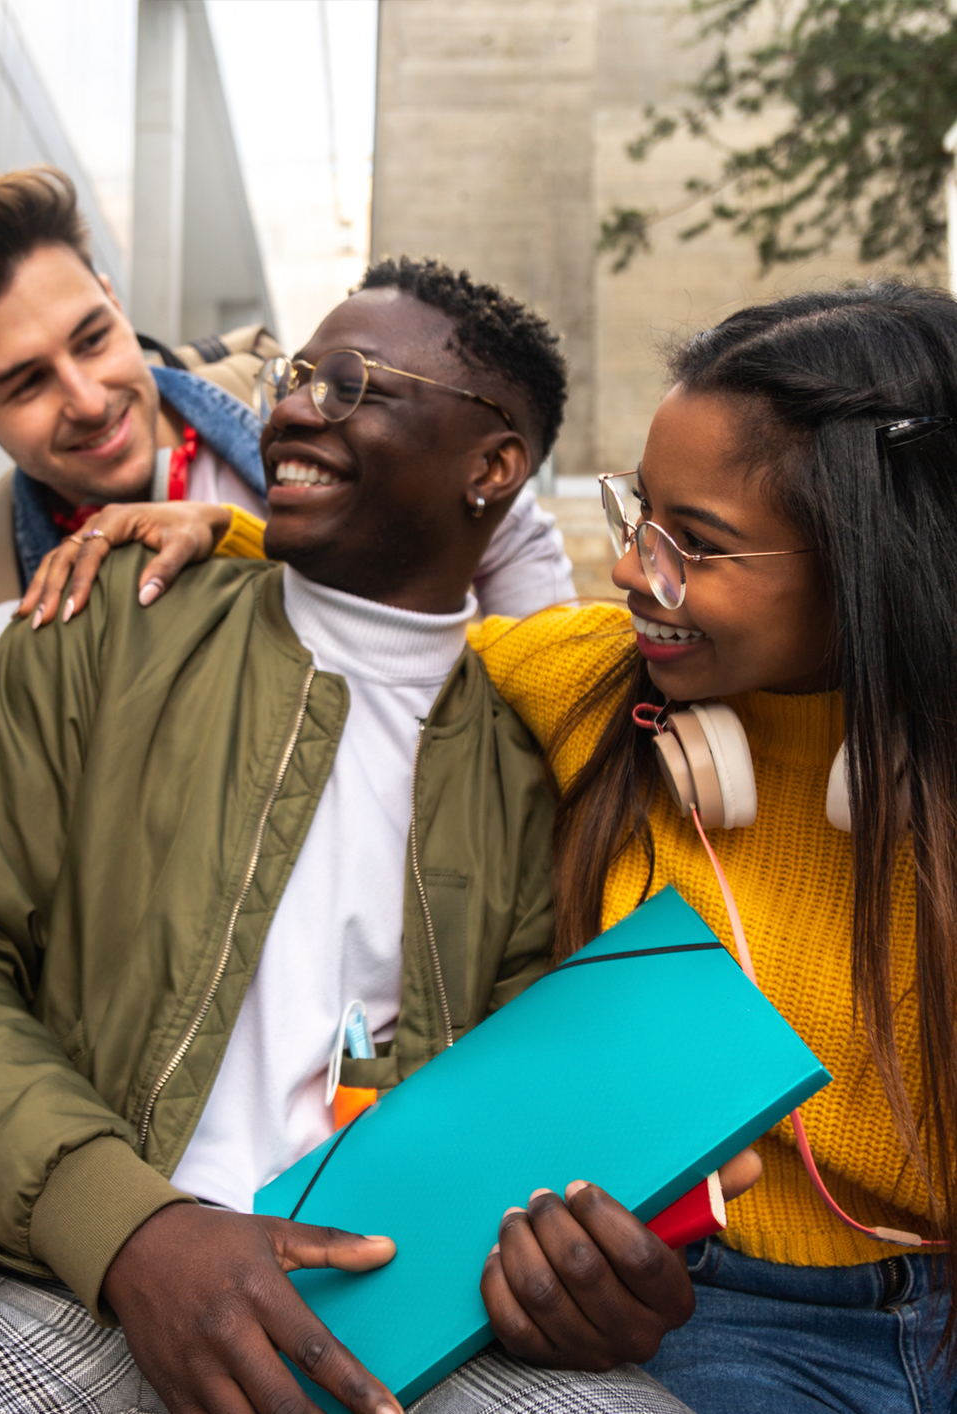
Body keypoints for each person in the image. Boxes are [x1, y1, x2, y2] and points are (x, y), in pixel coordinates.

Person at [0, 260, 708, 1413]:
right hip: (17, 1266)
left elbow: (513, 1131)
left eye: (355, 386)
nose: (293, 408)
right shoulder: (99, 615)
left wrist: (575, 1284)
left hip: (367, 1322)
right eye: (296, 376)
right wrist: (134, 1225)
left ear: (492, 464)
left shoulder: (526, 762)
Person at [57, 282, 957, 1414]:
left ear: (872, 562)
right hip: (720, 1312)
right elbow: (407, 611)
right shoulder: (590, 681)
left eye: (697, 547)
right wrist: (225, 532)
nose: (634, 571)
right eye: (638, 518)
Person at [0, 167, 576, 668]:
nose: (87, 398)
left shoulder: (299, 419)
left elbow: (505, 526)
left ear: (115, 302)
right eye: (27, 384)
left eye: (92, 339)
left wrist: (532, 714)